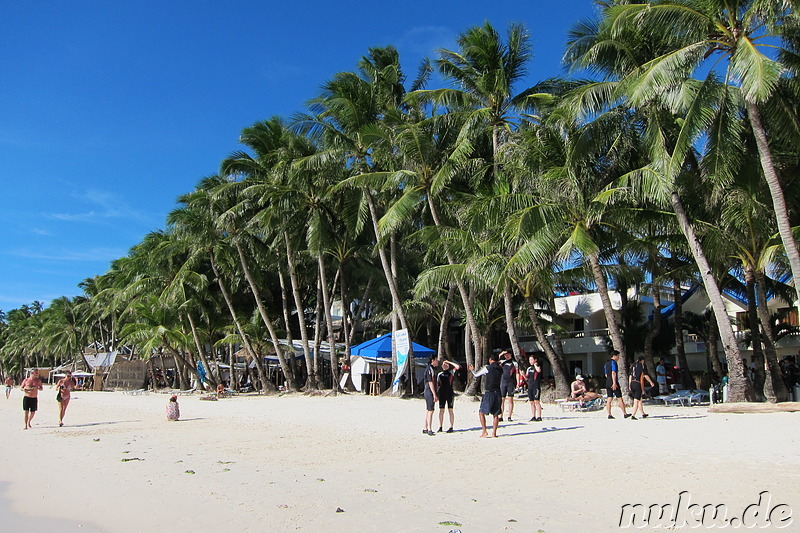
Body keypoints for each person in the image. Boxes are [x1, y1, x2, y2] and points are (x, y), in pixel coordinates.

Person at [471, 354, 503, 438]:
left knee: (481, 412)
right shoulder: (500, 369)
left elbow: (476, 375)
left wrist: (472, 370)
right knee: (496, 414)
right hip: (498, 392)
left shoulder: (487, 368)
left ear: (490, 359)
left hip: (489, 392)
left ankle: (484, 431)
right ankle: (494, 433)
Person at [436, 360, 461, 433]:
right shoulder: (439, 374)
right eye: (444, 364)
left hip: (449, 393)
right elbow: (437, 385)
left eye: (446, 364)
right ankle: (440, 427)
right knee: (441, 410)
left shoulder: (451, 373)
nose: (445, 365)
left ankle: (451, 427)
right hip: (442, 394)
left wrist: (449, 362)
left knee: (450, 410)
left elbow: (458, 367)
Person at [604, 351, 630, 420]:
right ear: (614, 356)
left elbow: (606, 374)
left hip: (608, 382)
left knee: (609, 398)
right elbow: (614, 373)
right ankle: (625, 413)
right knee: (619, 398)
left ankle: (609, 414)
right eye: (618, 356)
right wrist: (614, 382)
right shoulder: (613, 362)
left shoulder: (606, 363)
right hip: (613, 381)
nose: (618, 357)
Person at [422, 356, 439, 436]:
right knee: (431, 410)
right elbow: (430, 382)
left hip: (429, 390)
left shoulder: (432, 369)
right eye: (436, 359)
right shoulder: (429, 369)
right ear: (433, 360)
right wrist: (434, 394)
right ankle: (429, 429)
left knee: (428, 410)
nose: (438, 361)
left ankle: (425, 427)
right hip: (429, 390)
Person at [499, 351, 518, 422]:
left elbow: (517, 373)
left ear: (510, 355)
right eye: (505, 355)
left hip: (511, 383)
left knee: (510, 399)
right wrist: (501, 354)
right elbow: (495, 362)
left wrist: (518, 382)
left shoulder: (514, 363)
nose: (506, 356)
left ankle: (509, 416)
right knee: (502, 399)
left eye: (508, 355)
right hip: (503, 382)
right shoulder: (502, 362)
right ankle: (501, 416)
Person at [525, 353, 543, 422]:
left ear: (535, 360)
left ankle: (539, 416)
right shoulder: (529, 368)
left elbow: (538, 371)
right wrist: (523, 375)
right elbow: (527, 378)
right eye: (529, 360)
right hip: (530, 386)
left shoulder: (538, 367)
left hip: (536, 386)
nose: (530, 361)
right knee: (531, 402)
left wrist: (535, 364)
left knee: (536, 401)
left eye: (532, 360)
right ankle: (533, 416)